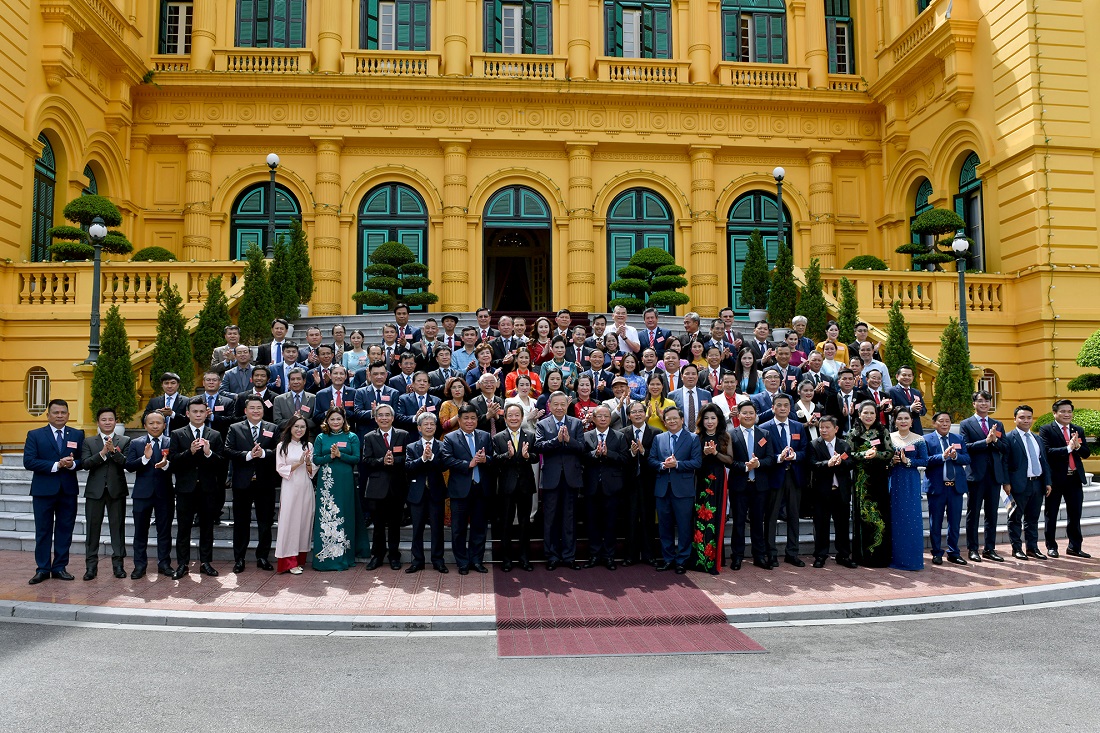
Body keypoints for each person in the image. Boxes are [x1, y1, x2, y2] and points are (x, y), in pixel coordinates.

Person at [24, 400, 85, 585]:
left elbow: (83, 459)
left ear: (68, 414)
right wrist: (56, 465)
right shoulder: (35, 435)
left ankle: (59, 567)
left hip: (67, 490)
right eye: (56, 412)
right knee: (43, 531)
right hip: (43, 491)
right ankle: (42, 569)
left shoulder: (76, 434)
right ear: (48, 414)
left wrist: (72, 464)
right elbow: (29, 461)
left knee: (64, 530)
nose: (60, 415)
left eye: (63, 412)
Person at [168, 396, 227, 579]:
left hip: (208, 489)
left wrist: (209, 453)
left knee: (207, 527)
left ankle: (205, 562)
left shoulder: (215, 435)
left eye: (202, 411)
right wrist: (190, 452)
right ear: (188, 413)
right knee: (183, 528)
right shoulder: (178, 434)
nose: (198, 414)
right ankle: (182, 564)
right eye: (195, 411)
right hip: (186, 489)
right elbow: (173, 462)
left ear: (206, 413)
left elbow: (222, 464)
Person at [224, 395, 280, 574]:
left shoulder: (272, 428)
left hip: (265, 483)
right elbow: (227, 450)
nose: (256, 411)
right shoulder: (235, 428)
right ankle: (239, 558)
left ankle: (262, 557)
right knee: (241, 522)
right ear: (245, 411)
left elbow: (279, 451)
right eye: (252, 408)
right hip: (242, 483)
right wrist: (248, 455)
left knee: (265, 522)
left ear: (264, 411)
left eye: (259, 408)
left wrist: (264, 453)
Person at [310, 407, 368, 572]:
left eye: (338, 419)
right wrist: (331, 456)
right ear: (327, 421)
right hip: (327, 481)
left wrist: (341, 455)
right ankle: (326, 556)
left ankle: (345, 556)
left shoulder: (352, 437)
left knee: (345, 514)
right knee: (327, 516)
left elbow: (356, 458)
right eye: (332, 419)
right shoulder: (321, 437)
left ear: (344, 420)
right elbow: (316, 458)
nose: (335, 422)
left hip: (346, 481)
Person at [535, 390, 586, 570]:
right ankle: (552, 556)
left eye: (562, 404)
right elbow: (539, 446)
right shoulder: (542, 424)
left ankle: (569, 556)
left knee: (569, 518)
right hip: (551, 478)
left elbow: (582, 447)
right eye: (555, 404)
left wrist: (568, 440)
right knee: (550, 518)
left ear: (567, 405)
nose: (559, 407)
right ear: (549, 405)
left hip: (571, 478)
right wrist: (557, 441)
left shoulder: (576, 423)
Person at [648, 406, 702, 574]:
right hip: (663, 489)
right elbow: (651, 460)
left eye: (674, 418)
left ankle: (682, 560)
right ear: (664, 422)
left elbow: (696, 463)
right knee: (665, 526)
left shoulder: (692, 438)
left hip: (683, 490)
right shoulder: (659, 438)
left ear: (682, 419)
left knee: (685, 526)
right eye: (668, 419)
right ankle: (668, 559)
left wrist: (677, 464)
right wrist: (662, 465)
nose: (671, 421)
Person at [442, 404, 493, 574]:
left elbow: (493, 458)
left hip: (481, 489)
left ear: (477, 420)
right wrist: (467, 464)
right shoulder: (450, 438)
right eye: (466, 418)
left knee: (479, 527)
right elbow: (446, 460)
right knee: (458, 529)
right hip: (460, 489)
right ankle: (462, 562)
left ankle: (476, 561)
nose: (470, 421)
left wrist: (486, 460)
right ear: (460, 419)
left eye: (473, 418)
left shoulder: (485, 436)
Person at [80, 408, 130, 580]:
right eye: (104, 419)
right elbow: (85, 464)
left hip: (116, 491)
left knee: (118, 529)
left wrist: (114, 452)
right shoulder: (89, 442)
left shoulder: (124, 440)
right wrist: (102, 453)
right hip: (95, 491)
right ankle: (91, 567)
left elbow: (127, 464)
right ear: (98, 422)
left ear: (116, 421)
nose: (107, 422)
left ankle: (118, 566)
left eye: (111, 419)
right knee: (92, 530)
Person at [1039, 398, 1093, 558]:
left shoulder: (1078, 429)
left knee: (1075, 514)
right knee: (1052, 513)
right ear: (1054, 413)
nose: (1066, 414)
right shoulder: (1046, 429)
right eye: (1063, 411)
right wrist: (1067, 448)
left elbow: (1086, 453)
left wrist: (1077, 447)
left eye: (1069, 411)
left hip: (1074, 478)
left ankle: (1075, 546)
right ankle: (1051, 546)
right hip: (1055, 479)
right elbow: (1047, 452)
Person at [124, 411, 175, 578]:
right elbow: (129, 466)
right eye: (151, 423)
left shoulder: (171, 442)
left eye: (158, 423)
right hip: (142, 494)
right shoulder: (136, 443)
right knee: (140, 531)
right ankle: (139, 566)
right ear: (145, 426)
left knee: (164, 531)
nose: (155, 426)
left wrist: (166, 465)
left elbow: (179, 466)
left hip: (164, 493)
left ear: (164, 425)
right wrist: (145, 459)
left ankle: (164, 564)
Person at [760, 393, 809, 567]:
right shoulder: (765, 428)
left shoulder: (798, 427)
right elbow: (763, 453)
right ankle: (771, 553)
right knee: (772, 516)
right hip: (775, 476)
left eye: (785, 406)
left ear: (790, 408)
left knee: (794, 516)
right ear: (772, 408)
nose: (782, 408)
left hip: (794, 476)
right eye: (779, 405)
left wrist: (795, 456)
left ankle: (792, 552)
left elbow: (805, 450)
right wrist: (778, 458)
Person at [959, 390, 1008, 562]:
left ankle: (990, 548)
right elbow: (965, 447)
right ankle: (973, 549)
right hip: (975, 475)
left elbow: (1005, 448)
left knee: (992, 513)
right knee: (973, 513)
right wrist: (985, 441)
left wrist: (995, 441)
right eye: (980, 401)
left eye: (987, 401)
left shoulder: (998, 424)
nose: (984, 404)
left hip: (994, 475)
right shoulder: (966, 424)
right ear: (974, 404)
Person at [360, 403, 409, 570]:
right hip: (377, 488)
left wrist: (395, 461)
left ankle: (394, 556)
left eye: (387, 415)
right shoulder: (369, 437)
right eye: (380, 415)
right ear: (375, 418)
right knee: (378, 526)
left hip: (397, 486)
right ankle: (377, 556)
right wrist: (382, 461)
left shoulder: (403, 435)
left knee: (395, 525)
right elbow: (366, 460)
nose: (384, 418)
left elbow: (408, 458)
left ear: (393, 417)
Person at [1001, 405, 1053, 561]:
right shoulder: (1009, 438)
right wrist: (1006, 483)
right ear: (1015, 419)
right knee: (1015, 518)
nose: (1026, 420)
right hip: (1017, 485)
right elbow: (1004, 463)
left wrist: (1048, 482)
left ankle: (1032, 548)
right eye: (1022, 417)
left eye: (1029, 417)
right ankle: (1016, 548)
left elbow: (1044, 461)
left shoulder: (1037, 439)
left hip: (1037, 484)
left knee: (1033, 518)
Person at [581, 405, 630, 569]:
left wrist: (608, 454)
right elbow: (581, 459)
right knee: (592, 522)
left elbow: (625, 459)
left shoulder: (619, 436)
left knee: (610, 523)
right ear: (593, 419)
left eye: (606, 416)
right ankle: (594, 555)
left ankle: (609, 556)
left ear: (610, 419)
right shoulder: (586, 436)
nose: (602, 419)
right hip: (591, 486)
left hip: (612, 487)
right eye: (599, 416)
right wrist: (595, 453)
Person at [847, 400, 895, 568]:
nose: (868, 416)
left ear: (877, 415)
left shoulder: (883, 432)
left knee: (881, 516)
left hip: (879, 478)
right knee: (862, 517)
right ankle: (862, 557)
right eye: (865, 413)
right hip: (861, 480)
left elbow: (890, 452)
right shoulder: (853, 433)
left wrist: (876, 455)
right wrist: (863, 455)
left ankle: (881, 556)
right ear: (859, 415)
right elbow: (848, 454)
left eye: (872, 413)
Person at [493, 404, 538, 572]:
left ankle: (524, 559)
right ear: (505, 418)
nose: (513, 418)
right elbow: (495, 460)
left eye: (517, 415)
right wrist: (508, 455)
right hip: (506, 486)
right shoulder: (498, 438)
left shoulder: (531, 436)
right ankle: (506, 560)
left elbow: (535, 457)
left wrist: (527, 456)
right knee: (506, 524)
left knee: (525, 523)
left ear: (521, 417)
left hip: (525, 485)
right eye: (510, 415)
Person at [267, 416, 314, 575]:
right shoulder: (282, 446)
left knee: (304, 522)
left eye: (302, 427)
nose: (299, 430)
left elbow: (312, 471)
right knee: (290, 522)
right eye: (296, 426)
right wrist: (299, 462)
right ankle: (288, 561)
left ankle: (299, 560)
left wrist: (307, 463)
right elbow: (281, 469)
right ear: (290, 428)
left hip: (306, 487)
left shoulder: (308, 445)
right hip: (290, 487)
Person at [808, 415, 856, 569]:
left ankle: (843, 555)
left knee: (842, 525)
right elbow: (812, 464)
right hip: (822, 492)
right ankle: (820, 555)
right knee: (821, 525)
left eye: (827, 427)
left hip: (840, 491)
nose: (823, 430)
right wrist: (827, 464)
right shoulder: (814, 444)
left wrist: (841, 462)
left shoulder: (844, 444)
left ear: (836, 429)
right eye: (821, 427)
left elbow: (850, 463)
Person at [689, 403, 732, 574]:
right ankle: (701, 560)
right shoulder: (696, 437)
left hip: (719, 480)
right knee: (701, 518)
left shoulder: (725, 436)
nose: (709, 421)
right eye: (706, 418)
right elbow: (694, 462)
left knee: (717, 517)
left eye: (713, 418)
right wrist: (704, 454)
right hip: (701, 480)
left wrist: (715, 453)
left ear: (718, 419)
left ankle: (716, 559)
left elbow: (729, 460)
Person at [924, 411, 971, 566]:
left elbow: (967, 458)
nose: (945, 424)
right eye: (941, 421)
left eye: (948, 421)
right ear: (934, 423)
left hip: (955, 488)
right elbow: (925, 460)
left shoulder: (958, 439)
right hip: (937, 488)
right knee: (935, 522)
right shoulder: (926, 439)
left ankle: (953, 552)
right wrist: (942, 457)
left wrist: (955, 457)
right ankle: (937, 552)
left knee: (955, 521)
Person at [405, 413, 449, 573]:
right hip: (417, 493)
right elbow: (408, 467)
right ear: (419, 428)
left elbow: (444, 465)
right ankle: (417, 561)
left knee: (437, 528)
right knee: (417, 529)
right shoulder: (411, 447)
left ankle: (438, 560)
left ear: (436, 427)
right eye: (426, 424)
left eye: (432, 424)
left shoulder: (442, 445)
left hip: (436, 491)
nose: (429, 427)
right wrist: (422, 458)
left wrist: (432, 459)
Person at [889, 407, 929, 571]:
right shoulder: (889, 438)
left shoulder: (919, 439)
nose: (903, 421)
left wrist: (908, 462)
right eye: (900, 418)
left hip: (911, 482)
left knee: (911, 519)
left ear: (912, 421)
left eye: (906, 418)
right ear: (895, 421)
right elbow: (884, 458)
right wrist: (893, 460)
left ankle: (912, 560)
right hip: (894, 480)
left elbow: (925, 461)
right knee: (895, 518)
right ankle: (895, 558)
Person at [621, 401, 658, 566]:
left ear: (646, 413)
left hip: (649, 482)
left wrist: (643, 451)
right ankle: (630, 555)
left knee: (648, 518)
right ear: (629, 416)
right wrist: (631, 453)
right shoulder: (622, 433)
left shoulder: (656, 433)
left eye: (640, 411)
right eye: (633, 412)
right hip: (629, 483)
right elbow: (620, 459)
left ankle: (649, 554)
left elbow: (658, 457)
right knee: (630, 519)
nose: (637, 414)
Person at [670, 363, 711, 431]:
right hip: (680, 433)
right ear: (681, 376)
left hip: (701, 433)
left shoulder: (706, 394)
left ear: (697, 376)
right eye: (687, 374)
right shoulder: (672, 395)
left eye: (693, 374)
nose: (691, 376)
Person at [886, 366, 926, 434]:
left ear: (913, 378)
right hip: (899, 429)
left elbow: (924, 410)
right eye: (904, 375)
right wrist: (910, 408)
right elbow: (891, 410)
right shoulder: (891, 391)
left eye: (909, 375)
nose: (907, 377)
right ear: (897, 376)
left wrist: (919, 409)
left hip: (916, 429)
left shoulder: (916, 392)